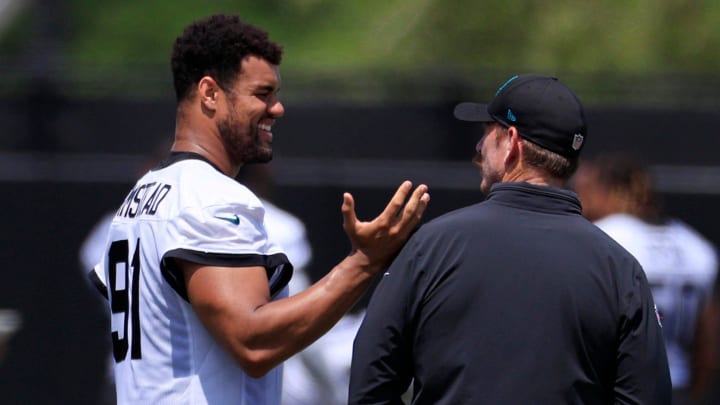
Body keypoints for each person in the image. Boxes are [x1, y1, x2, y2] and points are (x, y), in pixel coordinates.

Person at [87, 14, 429, 404]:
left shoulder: (142, 195)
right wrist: (364, 262)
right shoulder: (210, 196)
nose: (277, 108)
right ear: (210, 93)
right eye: (262, 93)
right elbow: (253, 343)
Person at [349, 74, 671, 404]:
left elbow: (370, 386)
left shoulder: (430, 248)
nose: (477, 148)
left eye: (487, 133)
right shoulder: (620, 269)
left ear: (511, 142)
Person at [573, 154, 718, 404]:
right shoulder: (696, 247)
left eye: (583, 190)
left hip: (618, 388)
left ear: (604, 190)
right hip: (678, 387)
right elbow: (708, 349)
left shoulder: (601, 240)